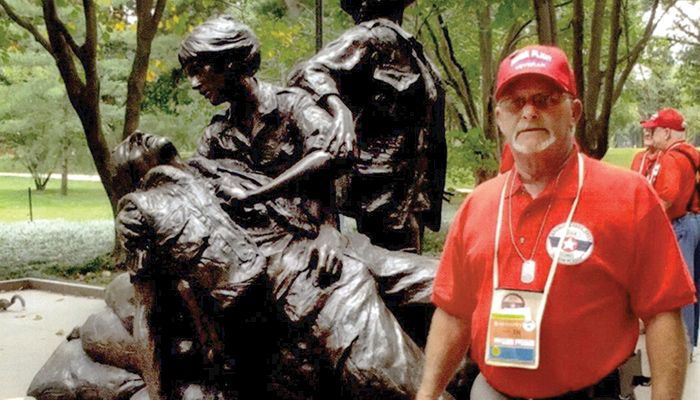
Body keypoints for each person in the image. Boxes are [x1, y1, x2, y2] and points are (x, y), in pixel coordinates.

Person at [417, 45, 695, 399]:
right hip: (492, 392)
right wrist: (427, 393)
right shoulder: (479, 205)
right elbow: (453, 313)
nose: (530, 112)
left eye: (546, 99)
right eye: (516, 103)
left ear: (574, 111)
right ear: (500, 116)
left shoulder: (629, 196)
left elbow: (663, 314)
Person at [113, 131, 447, 399]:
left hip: (346, 250)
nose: (138, 135)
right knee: (397, 377)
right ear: (131, 179)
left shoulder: (217, 165)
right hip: (308, 286)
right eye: (128, 147)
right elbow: (149, 311)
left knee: (455, 286)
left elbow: (307, 192)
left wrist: (329, 228)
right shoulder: (141, 211)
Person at [288, 0, 446, 253]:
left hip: (412, 194)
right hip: (378, 196)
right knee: (388, 275)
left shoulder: (409, 47)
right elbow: (308, 72)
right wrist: (340, 110)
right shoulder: (369, 38)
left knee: (407, 276)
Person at [643, 107, 700, 354]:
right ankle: (691, 342)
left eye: (654, 130)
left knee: (681, 290)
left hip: (680, 225)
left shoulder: (670, 158)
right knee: (694, 285)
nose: (650, 133)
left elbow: (666, 196)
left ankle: (682, 347)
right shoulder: (691, 154)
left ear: (666, 133)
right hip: (694, 220)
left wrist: (643, 222)